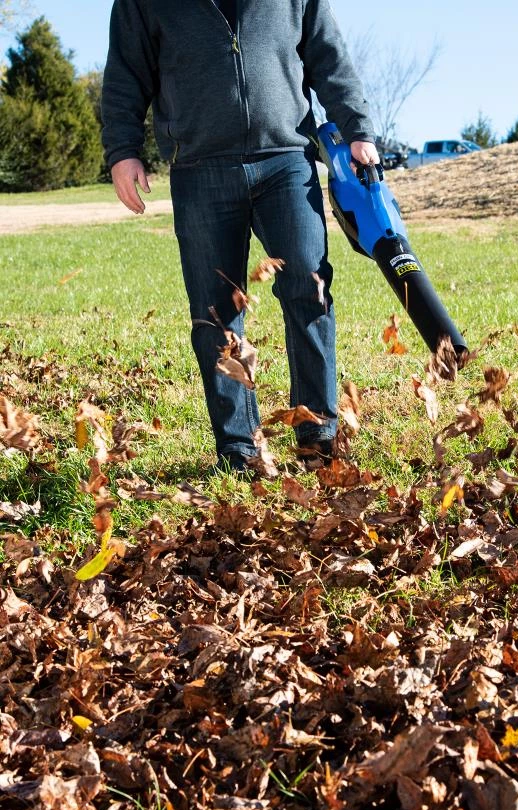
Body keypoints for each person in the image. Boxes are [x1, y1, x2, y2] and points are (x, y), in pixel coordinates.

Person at [101, 0, 379, 474]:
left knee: (309, 285)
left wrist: (357, 128)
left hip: (286, 159)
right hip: (200, 167)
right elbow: (126, 72)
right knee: (215, 309)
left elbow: (328, 54)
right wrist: (122, 149)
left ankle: (317, 435)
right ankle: (239, 448)